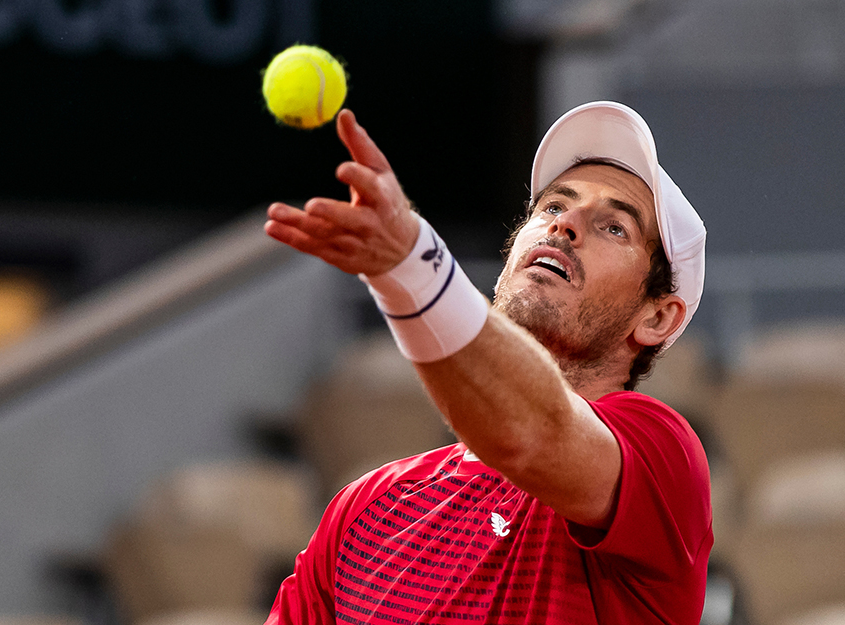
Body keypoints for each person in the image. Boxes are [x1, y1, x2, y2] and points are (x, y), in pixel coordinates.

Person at [261, 101, 712, 624]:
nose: (564, 225)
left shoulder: (662, 456)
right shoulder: (364, 510)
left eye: (614, 227)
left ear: (657, 317)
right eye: (551, 207)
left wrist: (412, 265)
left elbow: (528, 434)